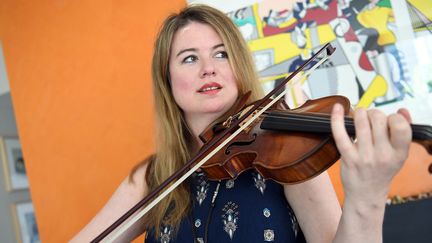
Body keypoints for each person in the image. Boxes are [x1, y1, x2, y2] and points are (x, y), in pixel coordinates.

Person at [71, 4, 412, 243]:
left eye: (221, 53)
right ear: (168, 80)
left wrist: (365, 198)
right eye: (190, 58)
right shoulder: (152, 178)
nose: (209, 67)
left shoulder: (285, 152)